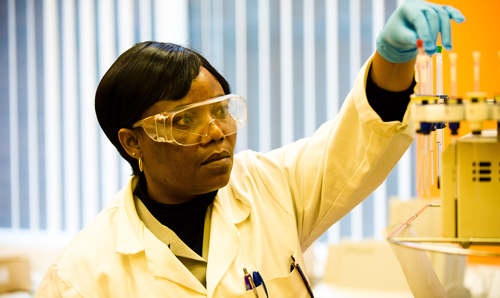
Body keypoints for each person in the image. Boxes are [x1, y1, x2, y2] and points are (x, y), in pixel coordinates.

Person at [35, 0, 464, 297]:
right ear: (132, 142)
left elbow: (354, 145)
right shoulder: (79, 278)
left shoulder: (267, 188)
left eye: (220, 110)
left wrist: (394, 58)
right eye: (185, 120)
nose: (217, 132)